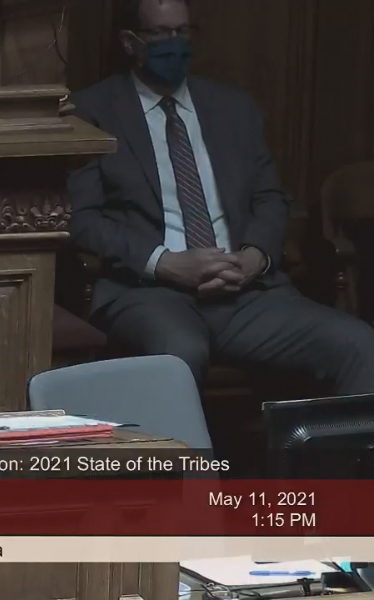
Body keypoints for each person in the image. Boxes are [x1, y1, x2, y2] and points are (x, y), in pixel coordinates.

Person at [67, 0, 374, 392]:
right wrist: (166, 264)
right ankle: (185, 457)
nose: (174, 42)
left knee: (359, 344)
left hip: (245, 293)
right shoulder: (93, 111)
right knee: (179, 352)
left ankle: (344, 456)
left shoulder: (233, 108)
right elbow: (83, 219)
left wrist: (254, 258)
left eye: (183, 32)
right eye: (161, 34)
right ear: (130, 42)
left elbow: (270, 198)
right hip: (148, 294)